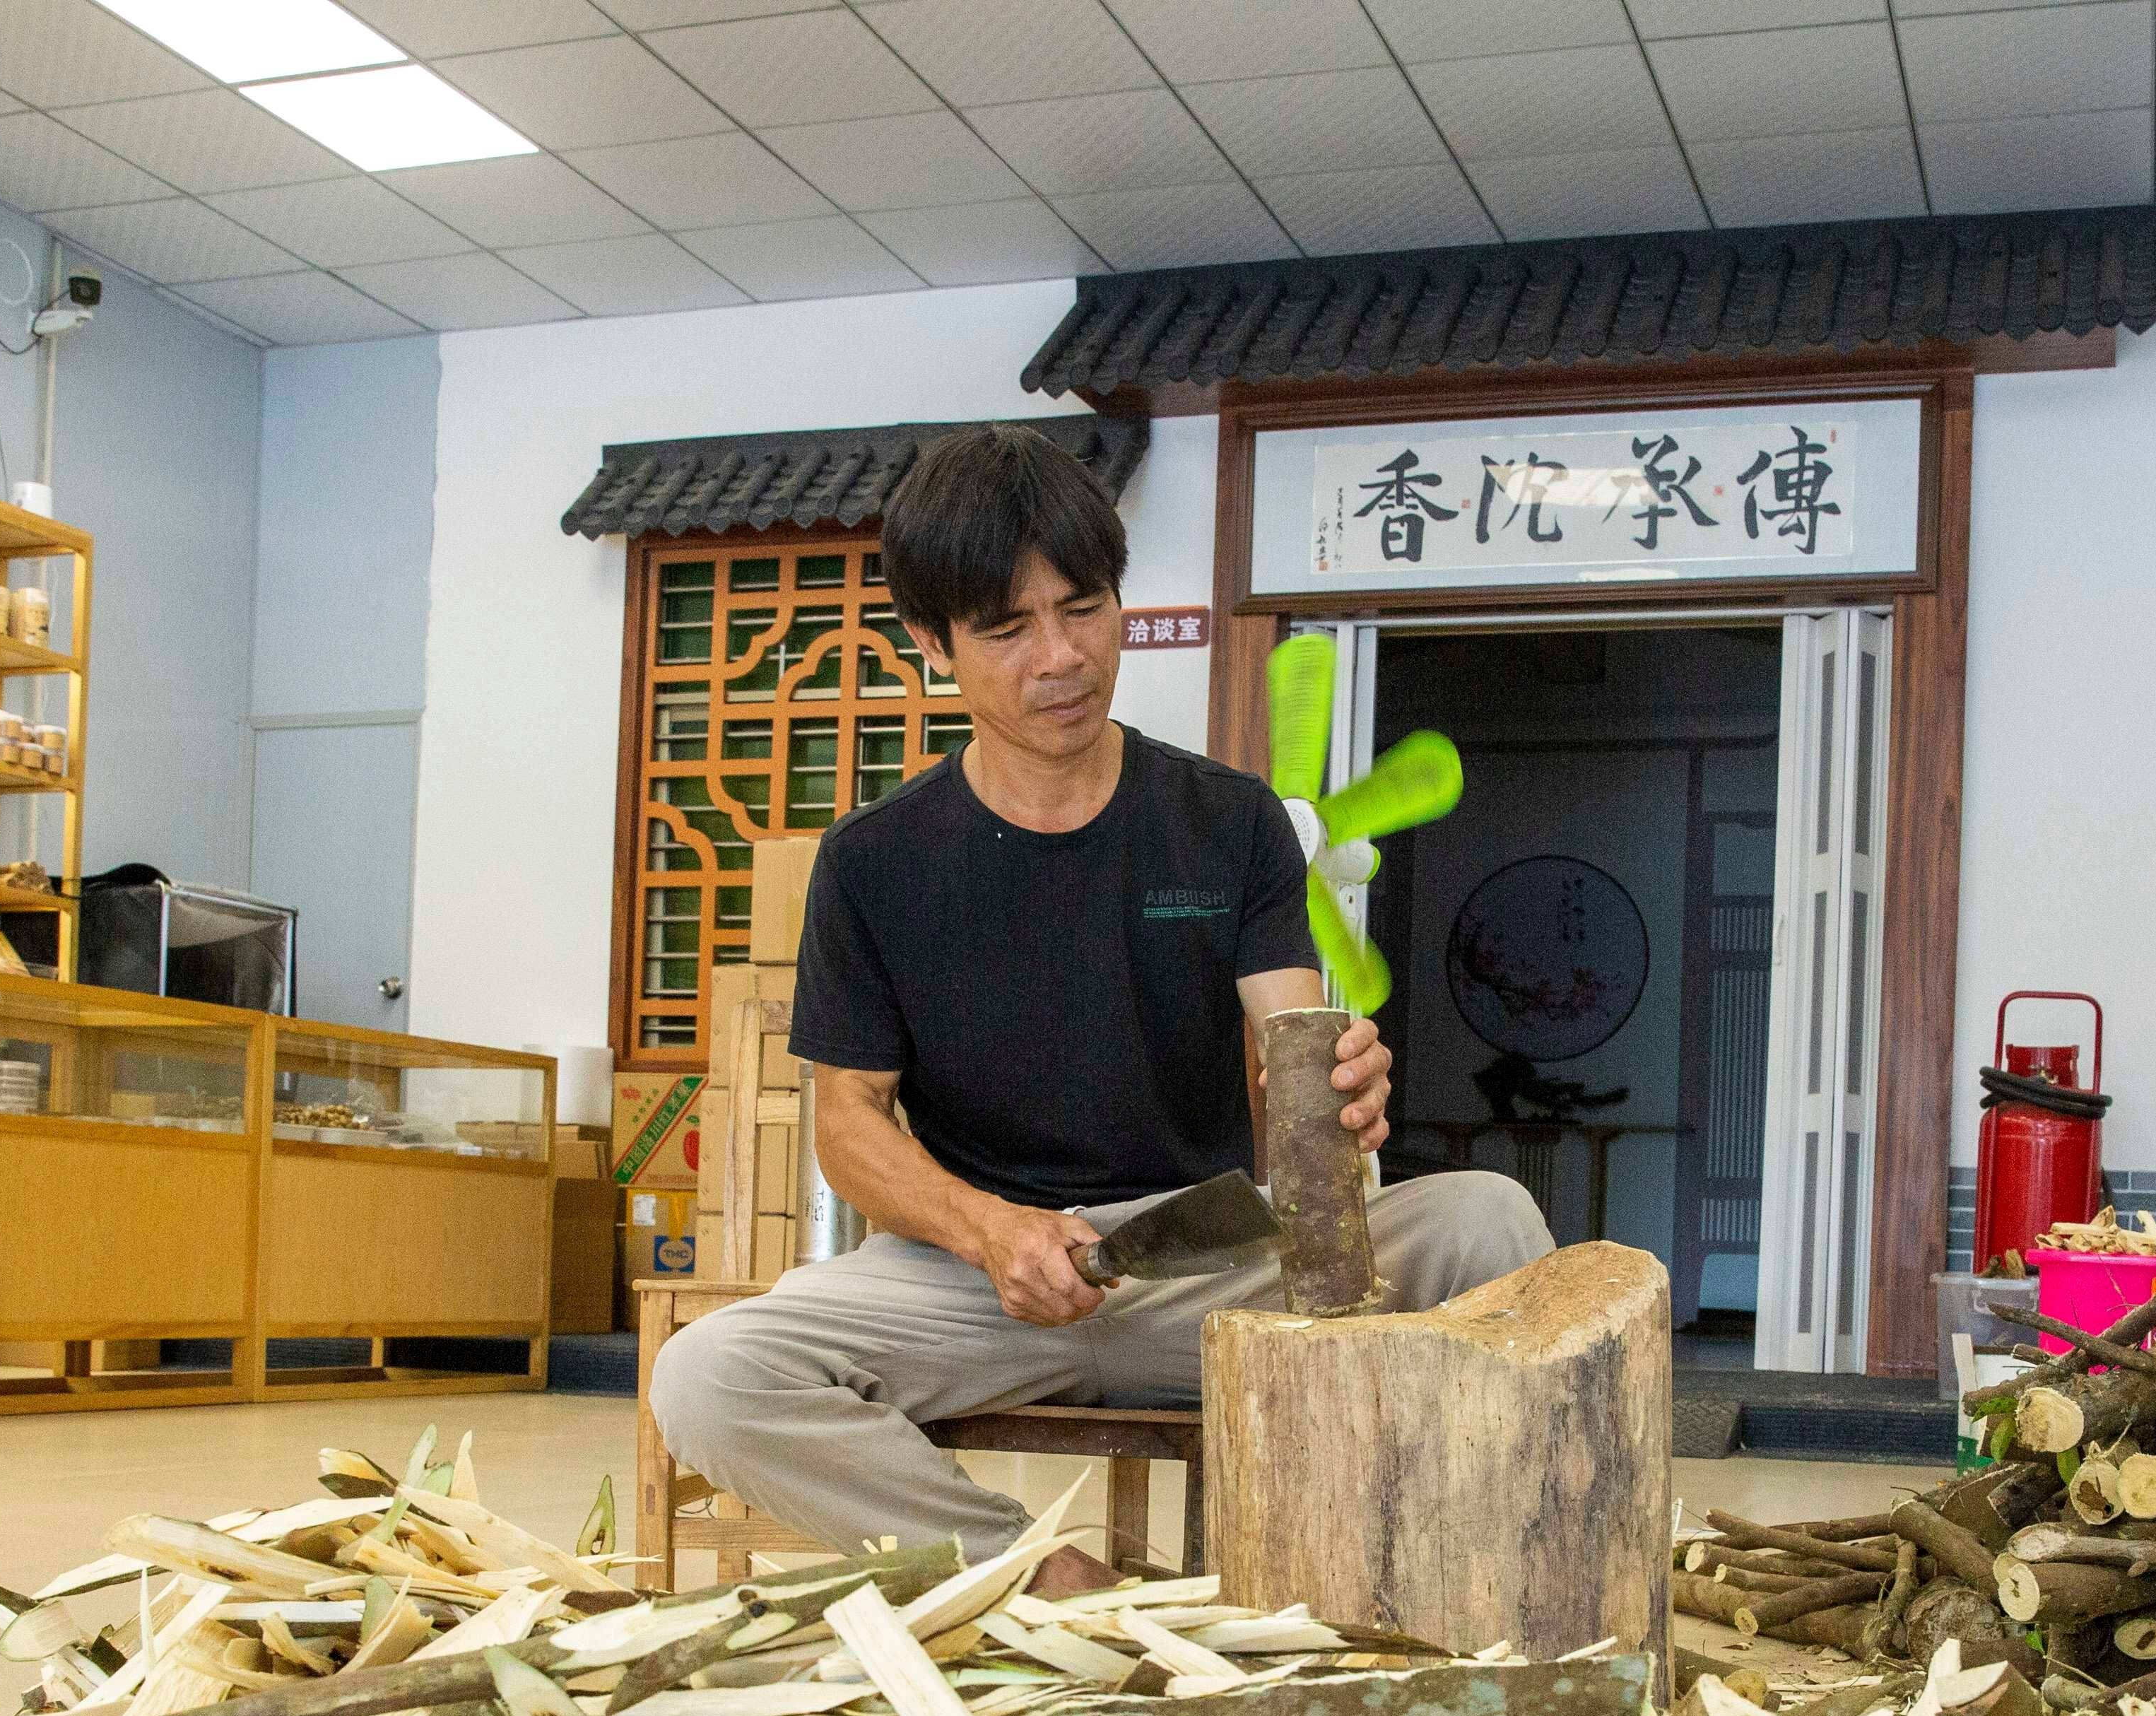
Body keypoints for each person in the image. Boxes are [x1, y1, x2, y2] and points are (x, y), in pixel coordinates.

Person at [649, 425, 1551, 1591]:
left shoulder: (1228, 822)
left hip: (1210, 1256)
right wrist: (992, 1233)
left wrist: (1337, 1092)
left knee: (1492, 1224)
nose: (1060, 657)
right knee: (707, 1378)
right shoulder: (875, 862)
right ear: (934, 644)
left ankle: (1442, 1573)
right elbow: (849, 1127)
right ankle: (1035, 1576)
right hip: (974, 1281)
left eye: (1083, 608)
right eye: (1008, 629)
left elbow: (1293, 1046)